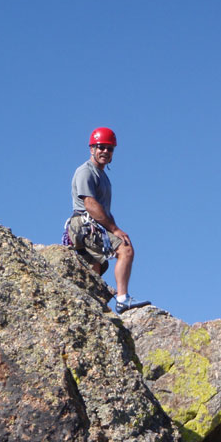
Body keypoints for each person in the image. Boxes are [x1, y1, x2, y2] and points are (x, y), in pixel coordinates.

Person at [65, 127, 150, 313]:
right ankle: (122, 299)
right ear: (91, 149)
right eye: (101, 147)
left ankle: (94, 306)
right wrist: (115, 229)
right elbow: (89, 203)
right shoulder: (85, 171)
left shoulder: (102, 176)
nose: (105, 151)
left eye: (109, 148)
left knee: (95, 265)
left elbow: (102, 209)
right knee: (125, 249)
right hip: (84, 224)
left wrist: (111, 227)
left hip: (90, 225)